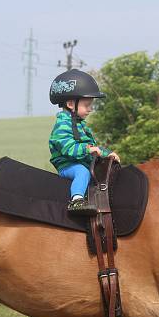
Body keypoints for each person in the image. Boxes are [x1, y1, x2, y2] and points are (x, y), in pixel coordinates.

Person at [48, 68, 120, 215]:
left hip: (82, 162)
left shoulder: (80, 125)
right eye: (87, 105)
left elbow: (93, 147)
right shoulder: (62, 125)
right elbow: (67, 148)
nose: (90, 109)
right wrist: (87, 150)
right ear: (70, 104)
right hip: (68, 166)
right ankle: (76, 201)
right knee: (82, 172)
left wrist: (108, 154)